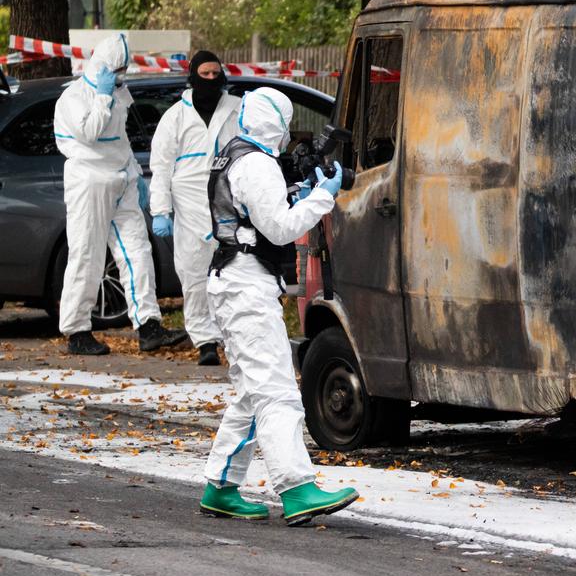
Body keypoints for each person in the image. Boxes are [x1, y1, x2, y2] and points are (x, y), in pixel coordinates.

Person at [199, 87, 356, 525]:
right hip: (245, 285)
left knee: (253, 392)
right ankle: (297, 488)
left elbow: (257, 212)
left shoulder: (234, 155)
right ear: (278, 124)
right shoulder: (257, 164)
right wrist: (321, 197)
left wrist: (300, 190)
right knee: (277, 392)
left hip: (233, 280)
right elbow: (282, 228)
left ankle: (221, 486)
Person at [52, 34, 190, 356]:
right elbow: (91, 132)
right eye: (117, 69)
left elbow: (120, 139)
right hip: (89, 181)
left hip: (121, 181)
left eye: (123, 69)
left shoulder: (117, 91)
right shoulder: (74, 98)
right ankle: (76, 330)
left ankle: (148, 326)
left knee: (138, 251)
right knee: (87, 255)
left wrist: (135, 174)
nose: (121, 75)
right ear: (103, 65)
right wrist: (102, 97)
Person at [148, 50, 241, 366]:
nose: (212, 80)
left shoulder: (237, 109)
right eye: (206, 74)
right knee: (194, 273)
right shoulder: (176, 116)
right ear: (193, 76)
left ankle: (231, 335)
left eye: (217, 74)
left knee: (233, 272)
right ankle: (205, 341)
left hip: (228, 198)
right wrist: (160, 210)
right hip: (188, 205)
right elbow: (160, 165)